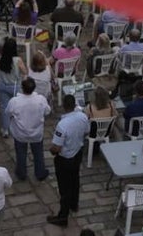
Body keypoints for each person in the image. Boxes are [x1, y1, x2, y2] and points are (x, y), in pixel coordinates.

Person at [47, 93, 90, 227]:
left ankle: (63, 217)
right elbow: (87, 131)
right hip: (77, 153)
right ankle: (74, 204)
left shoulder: (62, 125)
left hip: (65, 159)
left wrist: (51, 150)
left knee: (65, 188)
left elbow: (57, 147)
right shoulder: (83, 117)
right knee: (75, 180)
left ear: (64, 106)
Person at [7, 77, 51, 182]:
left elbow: (8, 112)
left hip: (20, 133)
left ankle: (21, 173)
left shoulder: (15, 101)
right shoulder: (40, 100)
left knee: (20, 153)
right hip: (36, 132)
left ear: (22, 88)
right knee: (38, 153)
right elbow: (47, 111)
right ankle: (40, 172)